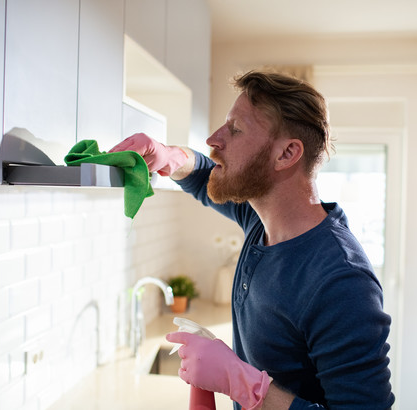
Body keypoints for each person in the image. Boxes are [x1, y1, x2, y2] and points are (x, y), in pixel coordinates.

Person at [110, 70, 395, 409]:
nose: (214, 139)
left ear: (287, 154)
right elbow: (207, 177)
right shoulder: (261, 223)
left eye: (235, 129)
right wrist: (169, 156)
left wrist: (242, 382)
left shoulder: (340, 281)